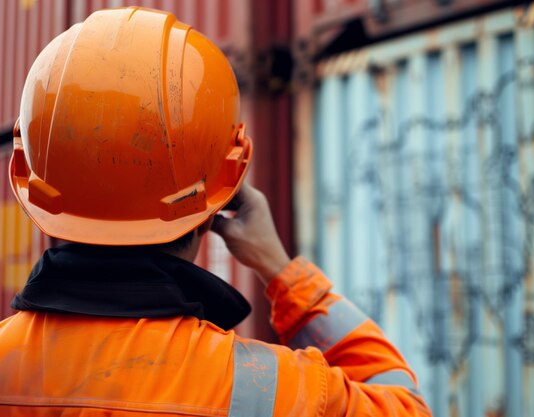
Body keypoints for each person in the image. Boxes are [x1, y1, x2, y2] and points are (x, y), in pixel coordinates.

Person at [0, 6, 432, 417]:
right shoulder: (272, 387)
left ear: (33, 185)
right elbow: (404, 404)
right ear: (219, 198)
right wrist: (280, 269)